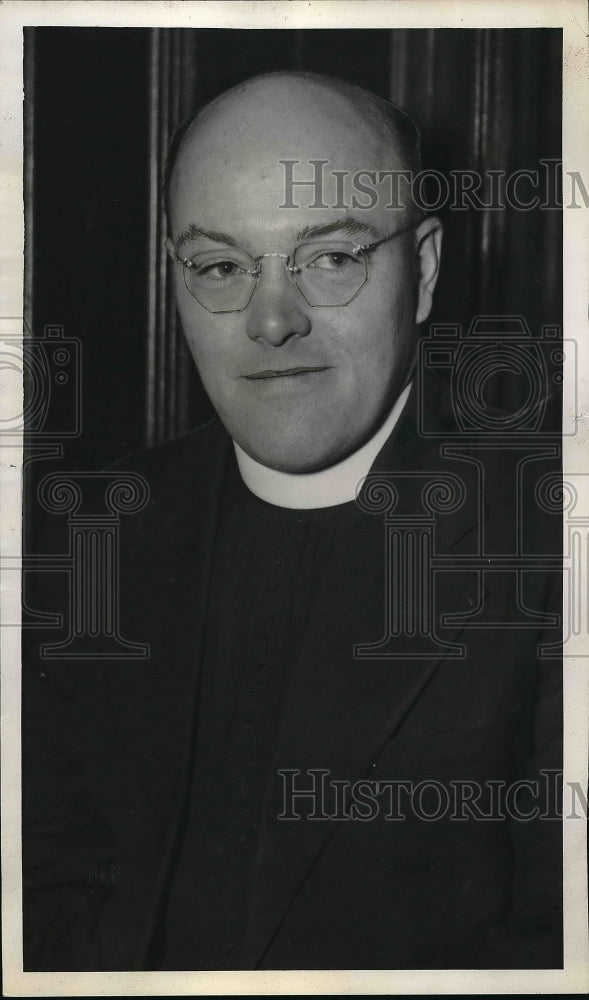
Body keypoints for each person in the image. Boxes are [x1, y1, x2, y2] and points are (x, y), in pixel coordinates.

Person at [23, 71, 562, 971]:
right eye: (222, 266)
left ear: (421, 272)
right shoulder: (91, 535)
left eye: (331, 258)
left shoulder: (545, 549)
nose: (272, 321)